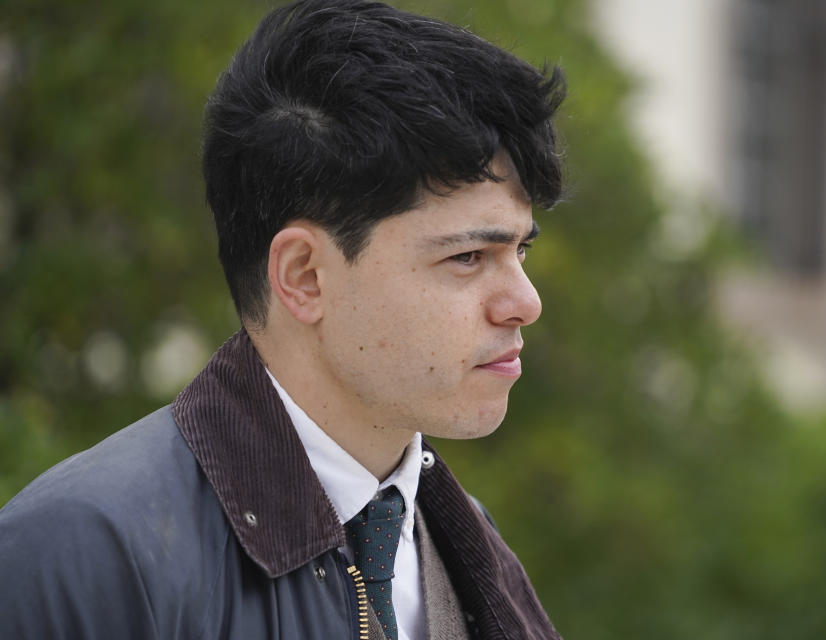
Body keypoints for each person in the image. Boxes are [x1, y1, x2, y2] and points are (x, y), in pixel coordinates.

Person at [0, 1, 565, 638]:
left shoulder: (474, 554)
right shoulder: (85, 556)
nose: (525, 300)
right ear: (303, 276)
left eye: (519, 250)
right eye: (467, 256)